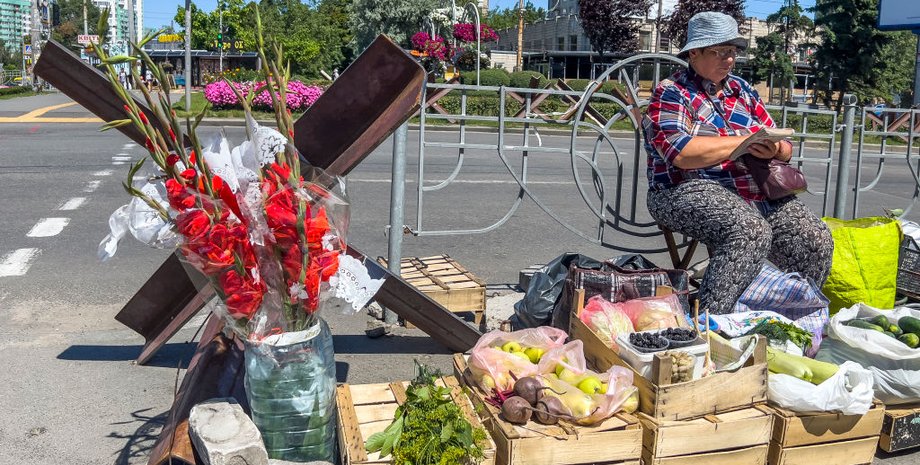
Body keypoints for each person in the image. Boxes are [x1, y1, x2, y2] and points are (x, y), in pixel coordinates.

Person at [642, 12, 834, 315]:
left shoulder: (742, 90)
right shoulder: (673, 92)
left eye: (732, 51)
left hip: (752, 191)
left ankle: (792, 322)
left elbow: (784, 147)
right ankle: (711, 326)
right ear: (694, 52)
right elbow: (680, 152)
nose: (729, 60)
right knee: (748, 230)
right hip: (683, 190)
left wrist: (774, 148)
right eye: (719, 51)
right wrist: (742, 142)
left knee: (814, 238)